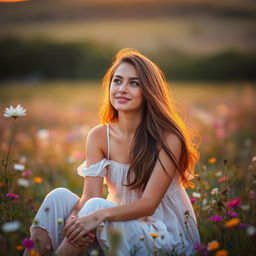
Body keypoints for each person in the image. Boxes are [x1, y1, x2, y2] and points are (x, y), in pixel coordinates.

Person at [23, 48, 200, 256]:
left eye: (134, 83)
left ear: (149, 91)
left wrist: (95, 216)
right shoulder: (99, 136)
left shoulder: (168, 138)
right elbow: (89, 196)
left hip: (161, 233)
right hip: (112, 222)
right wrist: (76, 219)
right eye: (117, 81)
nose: (122, 89)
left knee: (95, 207)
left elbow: (148, 205)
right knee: (57, 197)